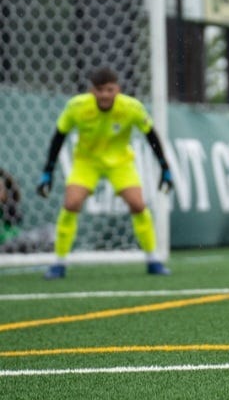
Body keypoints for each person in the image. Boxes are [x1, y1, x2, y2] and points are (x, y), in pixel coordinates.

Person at [36, 66, 174, 278]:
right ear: (92, 91)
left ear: (118, 89)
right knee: (71, 204)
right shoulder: (76, 107)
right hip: (86, 162)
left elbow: (151, 136)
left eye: (110, 90)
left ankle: (152, 259)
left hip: (120, 162)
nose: (105, 95)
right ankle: (59, 262)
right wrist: (48, 171)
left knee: (138, 204)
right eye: (100, 90)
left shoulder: (132, 108)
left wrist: (165, 168)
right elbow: (59, 137)